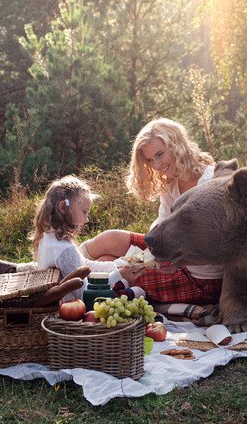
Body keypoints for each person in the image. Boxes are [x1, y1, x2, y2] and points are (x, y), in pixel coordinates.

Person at [81, 118, 223, 305]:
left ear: (177, 145)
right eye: (149, 160)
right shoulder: (172, 183)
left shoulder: (210, 182)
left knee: (115, 274)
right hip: (170, 255)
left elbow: (217, 246)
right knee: (110, 239)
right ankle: (65, 264)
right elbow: (161, 222)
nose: (156, 165)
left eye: (160, 154)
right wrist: (147, 253)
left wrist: (175, 260)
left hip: (200, 277)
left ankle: (70, 287)